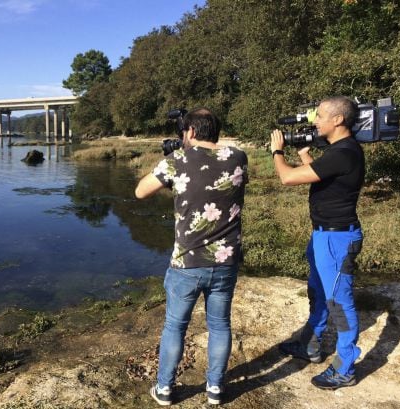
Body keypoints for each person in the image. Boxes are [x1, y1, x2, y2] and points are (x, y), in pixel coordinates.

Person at [135, 107, 248, 406]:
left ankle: (165, 389)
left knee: (175, 326)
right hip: (226, 261)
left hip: (187, 263)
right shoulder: (238, 157)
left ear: (191, 132)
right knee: (220, 325)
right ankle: (215, 389)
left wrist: (171, 161)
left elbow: (140, 192)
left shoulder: (177, 161)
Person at [270, 96, 365, 390]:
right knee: (319, 293)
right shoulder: (340, 151)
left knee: (340, 304)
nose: (315, 121)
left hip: (337, 238)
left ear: (338, 120)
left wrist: (277, 151)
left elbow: (287, 178)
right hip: (324, 235)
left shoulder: (345, 152)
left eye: (320, 115)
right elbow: (322, 178)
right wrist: (304, 154)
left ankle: (345, 367)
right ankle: (310, 346)